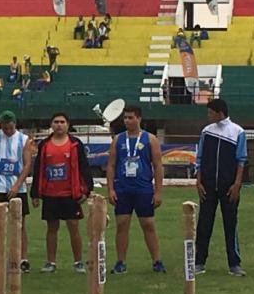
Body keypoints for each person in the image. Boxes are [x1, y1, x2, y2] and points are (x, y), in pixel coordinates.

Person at [30, 112, 93, 273]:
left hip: (70, 195)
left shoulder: (75, 144)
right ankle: (51, 262)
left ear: (67, 124)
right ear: (51, 125)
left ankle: (78, 262)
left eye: (62, 122)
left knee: (73, 227)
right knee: (52, 228)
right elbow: (38, 170)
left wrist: (87, 190)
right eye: (56, 122)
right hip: (50, 195)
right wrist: (35, 193)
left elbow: (84, 168)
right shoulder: (44, 144)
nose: (59, 125)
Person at [106, 105, 164, 274]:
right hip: (123, 189)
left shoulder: (150, 139)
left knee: (148, 224)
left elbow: (158, 166)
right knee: (122, 225)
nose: (127, 121)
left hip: (143, 189)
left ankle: (157, 261)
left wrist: (158, 191)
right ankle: (120, 262)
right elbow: (110, 165)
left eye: (130, 117)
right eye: (125, 118)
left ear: (139, 119)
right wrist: (110, 189)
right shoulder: (118, 139)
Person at [195, 98, 247, 276]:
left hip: (228, 186)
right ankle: (199, 261)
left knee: (230, 224)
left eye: (210, 112)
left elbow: (241, 160)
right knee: (204, 224)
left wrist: (237, 184)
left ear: (219, 112)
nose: (208, 116)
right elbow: (200, 158)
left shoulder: (237, 132)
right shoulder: (206, 131)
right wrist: (199, 181)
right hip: (208, 185)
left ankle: (234, 263)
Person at [0, 110, 33, 274]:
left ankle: (22, 258)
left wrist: (17, 185)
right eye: (4, 127)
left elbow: (27, 165)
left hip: (18, 188)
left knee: (20, 224)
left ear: (15, 125)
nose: (7, 131)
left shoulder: (23, 140)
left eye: (10, 127)